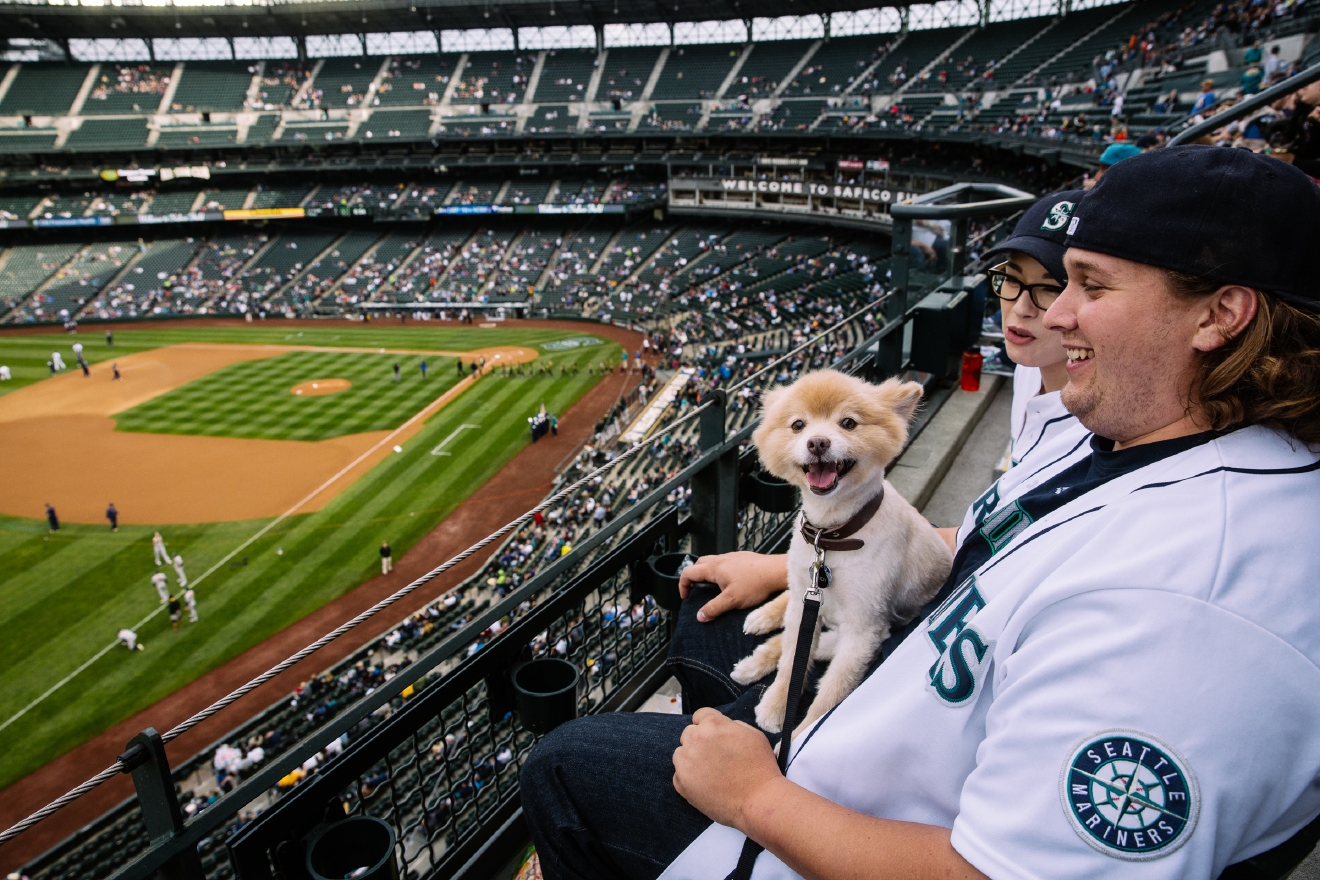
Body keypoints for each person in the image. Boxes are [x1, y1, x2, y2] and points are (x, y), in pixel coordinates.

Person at [520, 146, 1320, 880]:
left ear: (1222, 315)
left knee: (566, 765)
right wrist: (786, 564)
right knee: (710, 629)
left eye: (1091, 284)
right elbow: (983, 552)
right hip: (897, 728)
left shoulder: (1190, 602)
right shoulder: (1154, 443)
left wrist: (753, 797)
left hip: (852, 819)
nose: (1056, 315)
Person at [982, 190, 1084, 467]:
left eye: (1050, 288)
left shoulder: (1104, 429)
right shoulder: (1029, 367)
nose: (1021, 307)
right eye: (1012, 279)